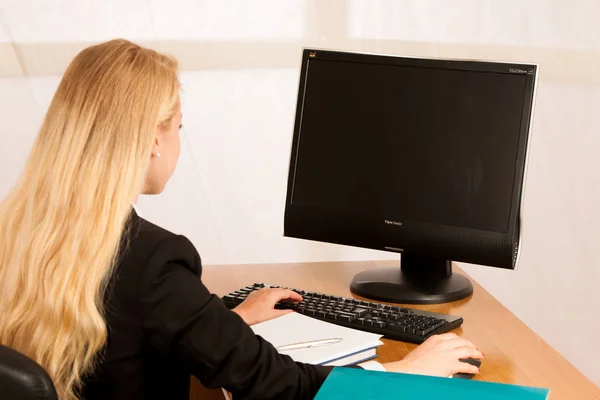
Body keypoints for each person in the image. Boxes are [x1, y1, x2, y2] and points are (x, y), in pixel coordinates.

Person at [0, 39, 483, 400]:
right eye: (178, 127)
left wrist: (222, 321)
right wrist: (406, 373)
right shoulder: (152, 262)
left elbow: (120, 333)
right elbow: (278, 387)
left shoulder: (21, 231)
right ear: (151, 138)